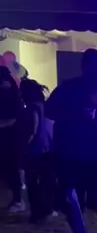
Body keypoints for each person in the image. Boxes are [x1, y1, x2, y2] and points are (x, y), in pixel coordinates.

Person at [46, 49, 97, 218]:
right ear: (85, 66)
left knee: (91, 201)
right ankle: (82, 232)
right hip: (75, 154)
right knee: (75, 199)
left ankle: (91, 232)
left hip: (90, 155)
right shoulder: (69, 89)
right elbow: (49, 112)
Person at [19, 79, 55, 222]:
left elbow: (32, 131)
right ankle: (48, 208)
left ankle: (37, 213)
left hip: (34, 149)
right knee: (47, 180)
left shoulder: (30, 109)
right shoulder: (46, 106)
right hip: (49, 148)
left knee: (33, 182)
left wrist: (24, 147)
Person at [0, 66, 25, 213]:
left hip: (10, 136)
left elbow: (15, 117)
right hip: (9, 135)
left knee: (11, 168)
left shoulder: (10, 94)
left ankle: (17, 200)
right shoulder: (12, 93)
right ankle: (16, 199)